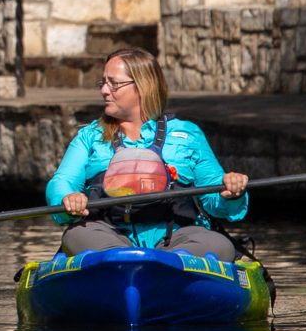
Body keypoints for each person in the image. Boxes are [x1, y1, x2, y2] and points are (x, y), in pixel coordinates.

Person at [44, 49, 249, 261]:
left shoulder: (188, 134)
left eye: (114, 83)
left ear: (143, 86)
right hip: (107, 235)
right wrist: (67, 198)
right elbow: (62, 182)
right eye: (103, 83)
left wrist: (231, 192)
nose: (105, 90)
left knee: (220, 245)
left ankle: (165, 264)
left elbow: (214, 195)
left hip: (178, 238)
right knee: (76, 235)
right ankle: (124, 261)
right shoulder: (90, 137)